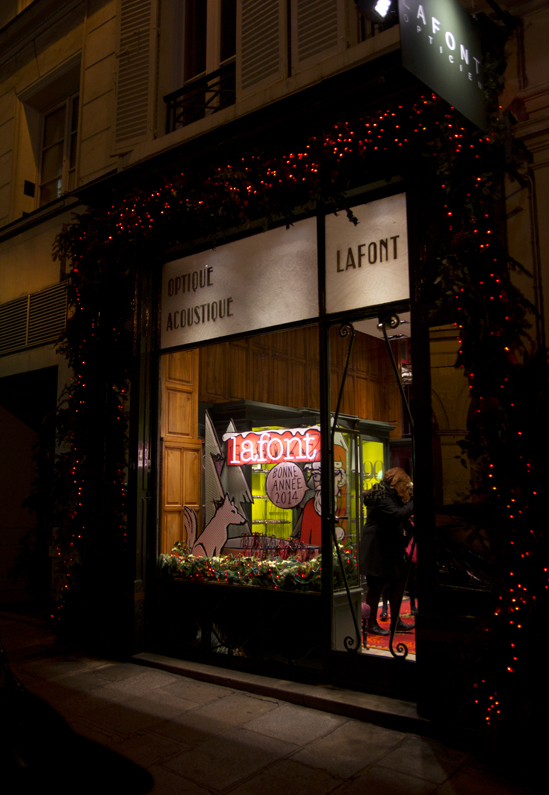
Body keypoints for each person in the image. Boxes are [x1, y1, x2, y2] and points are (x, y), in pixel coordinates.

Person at [360, 467, 414, 636]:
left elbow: (400, 516)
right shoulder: (381, 495)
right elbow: (397, 514)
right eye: (404, 486)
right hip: (377, 547)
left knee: (397, 582)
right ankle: (370, 623)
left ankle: (396, 621)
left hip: (389, 546)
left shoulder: (388, 495)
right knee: (376, 586)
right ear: (397, 483)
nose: (404, 490)